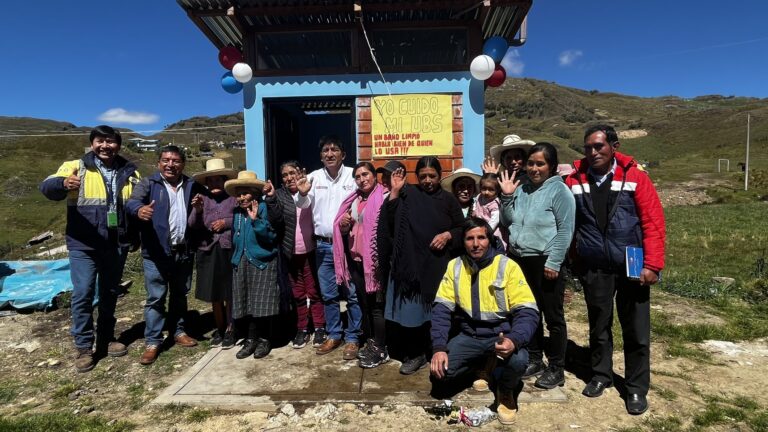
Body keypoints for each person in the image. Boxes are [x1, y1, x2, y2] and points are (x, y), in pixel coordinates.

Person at [564, 125, 665, 415]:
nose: (593, 152)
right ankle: (601, 375)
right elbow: (570, 222)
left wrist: (653, 264)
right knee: (599, 324)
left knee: (635, 328)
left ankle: (635, 388)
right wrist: (575, 258)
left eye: (599, 146)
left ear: (614, 146)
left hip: (632, 261)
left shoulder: (635, 177)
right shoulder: (575, 179)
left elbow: (653, 222)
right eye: (587, 147)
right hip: (594, 265)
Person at [40, 125, 140, 373]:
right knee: (83, 292)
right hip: (83, 244)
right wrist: (63, 183)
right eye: (100, 141)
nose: (105, 146)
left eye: (111, 142)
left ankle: (107, 338)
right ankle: (84, 346)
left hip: (116, 244)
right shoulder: (75, 166)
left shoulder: (130, 172)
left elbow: (134, 207)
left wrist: (135, 236)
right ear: (92, 143)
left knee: (109, 292)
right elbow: (47, 188)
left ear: (119, 145)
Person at [430, 218, 539, 425]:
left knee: (518, 360)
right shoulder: (455, 266)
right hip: (469, 336)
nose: (476, 243)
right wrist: (438, 348)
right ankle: (483, 365)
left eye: (481, 237)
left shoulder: (508, 267)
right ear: (463, 242)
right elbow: (441, 310)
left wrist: (513, 340)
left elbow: (528, 312)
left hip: (501, 337)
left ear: (490, 240)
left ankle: (505, 391)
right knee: (440, 375)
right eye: (470, 238)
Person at [499, 142, 576, 390]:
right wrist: (508, 196)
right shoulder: (523, 189)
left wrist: (554, 261)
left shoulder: (559, 192)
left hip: (546, 261)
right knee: (529, 312)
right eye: (531, 163)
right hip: (521, 260)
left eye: (540, 164)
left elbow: (566, 230)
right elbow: (509, 219)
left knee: (554, 318)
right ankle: (534, 358)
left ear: (551, 166)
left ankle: (557, 367)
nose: (534, 168)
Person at [384, 157, 464, 374]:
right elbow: (389, 221)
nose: (428, 180)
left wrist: (448, 235)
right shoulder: (408, 194)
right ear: (416, 177)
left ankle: (435, 350)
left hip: (437, 266)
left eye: (432, 176)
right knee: (411, 315)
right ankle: (415, 354)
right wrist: (395, 192)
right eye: (423, 177)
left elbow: (462, 228)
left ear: (440, 176)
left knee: (437, 313)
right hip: (410, 266)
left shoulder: (448, 200)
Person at [126, 145, 204, 365]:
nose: (171, 164)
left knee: (180, 295)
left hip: (183, 251)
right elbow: (132, 203)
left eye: (176, 160)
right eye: (166, 160)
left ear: (183, 164)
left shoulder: (190, 185)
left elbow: (207, 206)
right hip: (156, 253)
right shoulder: (149, 184)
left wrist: (200, 208)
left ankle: (178, 332)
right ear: (159, 163)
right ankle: (153, 341)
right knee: (156, 298)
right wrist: (139, 210)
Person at [295, 135, 360, 360]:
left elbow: (363, 203)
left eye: (334, 149)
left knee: (351, 294)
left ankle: (353, 338)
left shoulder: (353, 175)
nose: (329, 154)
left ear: (343, 154)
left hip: (348, 244)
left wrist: (352, 219)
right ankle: (334, 334)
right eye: (325, 150)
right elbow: (303, 204)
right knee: (329, 294)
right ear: (321, 156)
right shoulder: (313, 177)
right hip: (323, 246)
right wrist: (302, 193)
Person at [332, 162, 389, 368]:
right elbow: (348, 231)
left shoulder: (384, 197)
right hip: (356, 260)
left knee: (377, 307)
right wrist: (344, 226)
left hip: (375, 263)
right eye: (358, 176)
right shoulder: (353, 200)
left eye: (366, 174)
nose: (362, 179)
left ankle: (381, 348)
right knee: (365, 305)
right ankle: (372, 342)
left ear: (374, 176)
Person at [265, 161, 326, 349]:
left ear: (299, 172)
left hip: (312, 251)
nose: (289, 177)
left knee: (314, 291)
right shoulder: (281, 195)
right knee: (298, 294)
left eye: (292, 173)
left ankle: (320, 327)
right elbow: (275, 221)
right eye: (285, 175)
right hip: (291, 253)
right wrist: (271, 199)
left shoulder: (310, 189)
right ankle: (302, 329)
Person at [224, 171, 282, 360]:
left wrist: (256, 220)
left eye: (245, 193)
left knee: (262, 304)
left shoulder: (264, 208)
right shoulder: (237, 213)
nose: (241, 197)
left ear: (255, 193)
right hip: (241, 260)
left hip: (261, 261)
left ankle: (265, 339)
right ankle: (250, 339)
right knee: (247, 302)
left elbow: (271, 237)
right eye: (238, 194)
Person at [189, 158, 238, 349]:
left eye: (218, 180)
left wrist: (225, 223)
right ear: (206, 183)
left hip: (228, 249)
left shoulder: (233, 198)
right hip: (208, 250)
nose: (214, 184)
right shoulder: (202, 199)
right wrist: (198, 210)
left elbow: (241, 218)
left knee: (229, 292)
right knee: (214, 293)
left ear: (225, 181)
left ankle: (231, 328)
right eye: (211, 180)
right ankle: (219, 327)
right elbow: (192, 224)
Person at [472, 172, 507, 250]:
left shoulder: (494, 203)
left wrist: (487, 230)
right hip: (479, 227)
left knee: (491, 248)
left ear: (497, 191)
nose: (486, 192)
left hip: (491, 231)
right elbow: (475, 205)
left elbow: (495, 220)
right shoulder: (479, 197)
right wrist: (474, 212)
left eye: (491, 190)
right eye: (484, 189)